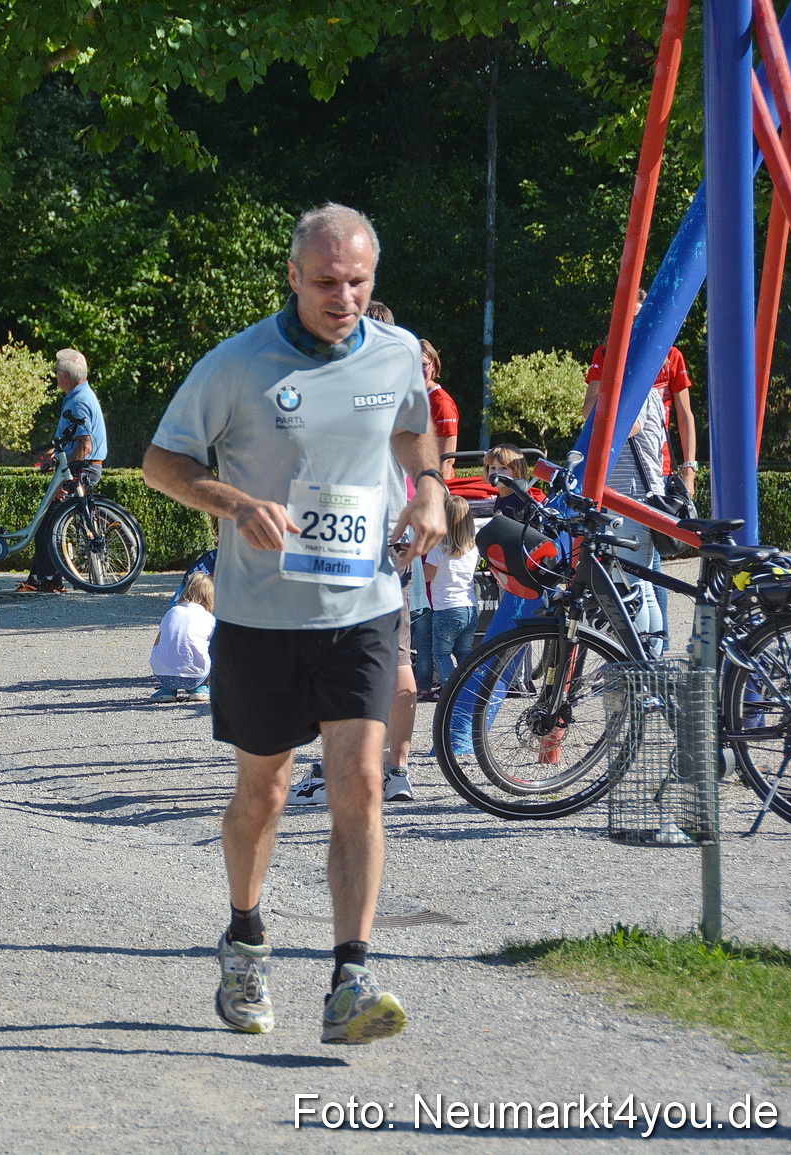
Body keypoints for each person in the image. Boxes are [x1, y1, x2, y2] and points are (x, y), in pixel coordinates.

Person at [143, 202, 444, 1045]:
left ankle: (351, 973)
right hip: (262, 615)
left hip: (365, 607)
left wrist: (428, 489)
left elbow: (416, 432)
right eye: (324, 282)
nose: (342, 297)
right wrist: (235, 502)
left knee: (360, 779)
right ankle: (244, 935)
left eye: (357, 282)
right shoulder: (236, 365)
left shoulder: (395, 353)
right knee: (265, 790)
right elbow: (161, 462)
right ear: (292, 276)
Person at [583, 295, 690, 657]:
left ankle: (647, 659)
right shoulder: (629, 377)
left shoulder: (640, 383)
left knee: (635, 582)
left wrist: (609, 390)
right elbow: (589, 414)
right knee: (636, 578)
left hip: (631, 492)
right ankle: (646, 656)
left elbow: (624, 425)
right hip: (621, 490)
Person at [17, 348, 106, 593]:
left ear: (66, 375)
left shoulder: (78, 401)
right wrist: (53, 454)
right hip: (81, 467)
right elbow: (73, 438)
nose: (55, 375)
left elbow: (85, 445)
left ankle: (45, 580)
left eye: (57, 371)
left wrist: (68, 482)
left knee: (49, 525)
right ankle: (42, 579)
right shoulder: (78, 396)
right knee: (49, 523)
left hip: (82, 470)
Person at [424, 495, 479, 688]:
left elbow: (426, 577)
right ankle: (469, 688)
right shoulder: (473, 550)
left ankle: (450, 691)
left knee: (441, 653)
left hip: (446, 608)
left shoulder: (438, 550)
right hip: (469, 607)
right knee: (463, 652)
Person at [150, 572, 214, 703]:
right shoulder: (208, 618)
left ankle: (167, 690)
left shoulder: (171, 612)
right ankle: (200, 688)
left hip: (163, 675)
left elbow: (157, 643)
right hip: (196, 676)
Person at [420, 339, 458, 478]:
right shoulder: (408, 396)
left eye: (423, 365)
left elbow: (447, 460)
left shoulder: (441, 402)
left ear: (433, 366)